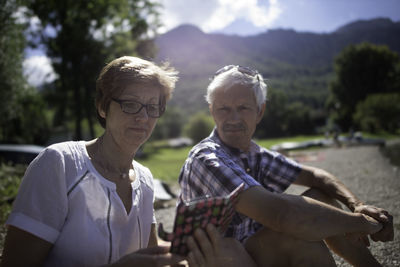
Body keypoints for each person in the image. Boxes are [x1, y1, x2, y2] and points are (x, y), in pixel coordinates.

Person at [178, 65, 394, 267]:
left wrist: (357, 205)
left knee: (321, 197)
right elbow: (281, 214)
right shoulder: (207, 158)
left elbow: (316, 176)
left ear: (260, 112)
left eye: (243, 108)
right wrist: (363, 223)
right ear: (212, 111)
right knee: (295, 238)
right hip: (215, 258)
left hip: (248, 250)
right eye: (223, 109)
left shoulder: (255, 153)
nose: (233, 118)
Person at [1, 56, 185, 267]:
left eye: (152, 107)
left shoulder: (145, 179)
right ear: (102, 107)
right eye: (131, 104)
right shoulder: (60, 164)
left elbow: (152, 256)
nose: (144, 117)